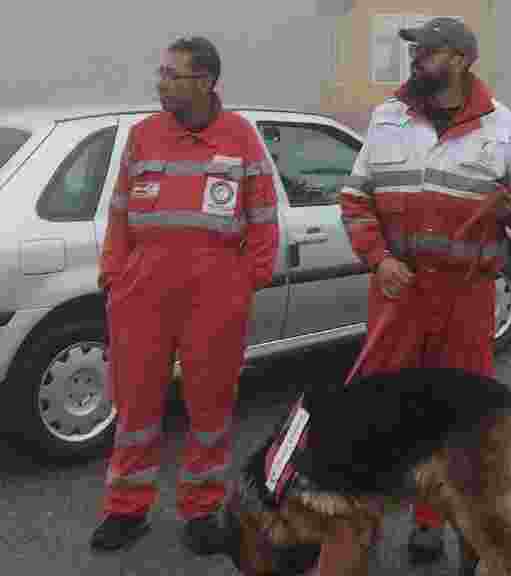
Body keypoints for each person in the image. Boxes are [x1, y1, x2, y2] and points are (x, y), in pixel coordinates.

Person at [336, 16, 511, 567]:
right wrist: (377, 260)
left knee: (454, 418)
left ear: (459, 59)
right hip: (398, 295)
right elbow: (356, 198)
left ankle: (433, 522)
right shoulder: (387, 117)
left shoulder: (499, 124)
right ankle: (363, 522)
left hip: (466, 299)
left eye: (426, 51)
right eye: (416, 50)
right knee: (379, 412)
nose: (416, 59)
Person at [91, 36, 279, 554]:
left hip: (216, 293)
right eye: (162, 71)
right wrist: (115, 273)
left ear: (205, 82)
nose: (162, 81)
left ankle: (202, 510)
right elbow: (120, 212)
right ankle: (126, 510)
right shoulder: (144, 135)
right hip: (141, 292)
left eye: (173, 74)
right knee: (135, 407)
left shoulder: (240, 137)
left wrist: (250, 278)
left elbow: (263, 214)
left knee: (210, 407)